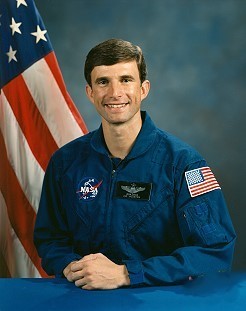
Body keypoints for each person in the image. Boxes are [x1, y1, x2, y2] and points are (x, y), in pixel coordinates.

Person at [34, 38, 236, 290]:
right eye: (103, 81)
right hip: (83, 297)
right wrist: (72, 267)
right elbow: (50, 238)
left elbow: (214, 252)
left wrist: (127, 274)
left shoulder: (184, 164)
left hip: (157, 298)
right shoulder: (65, 162)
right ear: (90, 92)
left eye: (126, 80)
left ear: (144, 89)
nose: (114, 93)